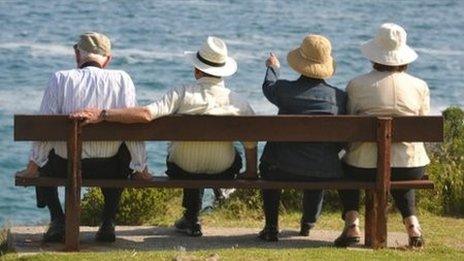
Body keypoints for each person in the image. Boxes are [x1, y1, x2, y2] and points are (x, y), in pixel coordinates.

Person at [71, 36, 255, 237]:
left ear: (197, 70)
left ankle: (191, 218)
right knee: (230, 153)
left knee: (186, 155)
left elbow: (147, 114)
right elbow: (251, 141)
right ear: (223, 73)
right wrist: (250, 172)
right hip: (223, 170)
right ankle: (199, 212)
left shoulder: (182, 93)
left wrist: (103, 114)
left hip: (182, 169)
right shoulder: (239, 102)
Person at [16, 32, 148, 243]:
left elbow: (44, 131)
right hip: (109, 168)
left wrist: (33, 166)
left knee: (43, 158)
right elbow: (131, 130)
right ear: (108, 59)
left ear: (77, 54)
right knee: (124, 154)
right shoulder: (123, 79)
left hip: (64, 165)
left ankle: (58, 220)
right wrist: (141, 168)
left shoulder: (60, 78)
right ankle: (108, 222)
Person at [335, 23, 430, 248]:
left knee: (344, 166)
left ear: (375, 55)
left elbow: (348, 124)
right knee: (396, 168)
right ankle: (412, 225)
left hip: (364, 166)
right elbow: (423, 123)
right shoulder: (420, 86)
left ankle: (351, 223)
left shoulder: (357, 85)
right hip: (411, 164)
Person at [258, 35, 346, 241]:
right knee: (318, 156)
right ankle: (308, 222)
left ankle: (271, 227)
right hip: (322, 171)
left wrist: (272, 67)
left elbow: (268, 87)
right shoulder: (339, 98)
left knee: (269, 163)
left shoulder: (283, 90)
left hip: (280, 169)